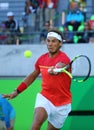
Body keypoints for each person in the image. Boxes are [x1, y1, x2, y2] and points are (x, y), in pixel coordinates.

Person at [3, 28, 72, 130]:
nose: (50, 44)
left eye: (54, 41)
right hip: (45, 97)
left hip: (62, 104)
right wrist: (17, 91)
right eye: (48, 41)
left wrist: (56, 70)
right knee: (36, 123)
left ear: (60, 43)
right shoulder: (41, 59)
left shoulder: (64, 58)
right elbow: (32, 76)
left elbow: (61, 65)